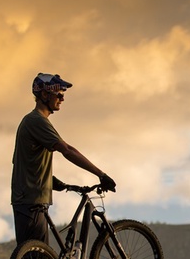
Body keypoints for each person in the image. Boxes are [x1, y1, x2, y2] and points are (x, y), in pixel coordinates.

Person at [11, 72, 117, 246]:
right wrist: (101, 174)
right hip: (31, 201)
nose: (62, 99)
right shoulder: (36, 121)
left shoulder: (32, 121)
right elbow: (67, 150)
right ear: (45, 94)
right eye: (59, 94)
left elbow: (25, 164)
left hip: (31, 199)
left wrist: (54, 183)